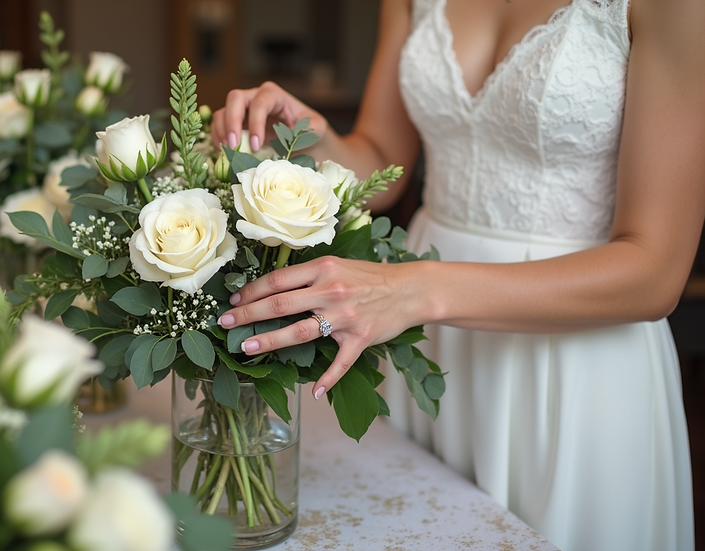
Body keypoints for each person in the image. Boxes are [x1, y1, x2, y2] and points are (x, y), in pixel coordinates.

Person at [209, 0, 702, 549]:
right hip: (424, 339)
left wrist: (413, 289)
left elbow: (656, 270)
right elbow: (380, 157)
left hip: (570, 352)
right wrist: (305, 131)